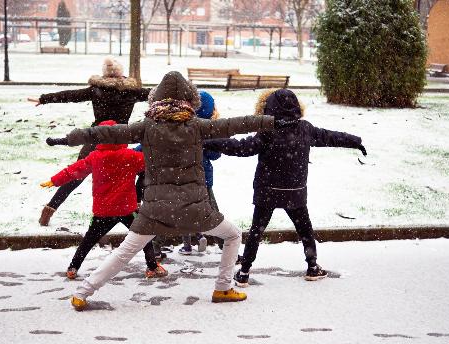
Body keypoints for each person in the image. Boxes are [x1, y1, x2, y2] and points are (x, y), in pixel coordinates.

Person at [46, 71, 276, 310]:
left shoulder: (146, 128)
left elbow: (105, 133)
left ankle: (82, 293)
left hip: (155, 210)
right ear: (190, 100)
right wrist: (271, 121)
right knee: (233, 235)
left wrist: (68, 139)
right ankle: (222, 288)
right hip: (195, 208)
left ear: (155, 100)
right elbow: (236, 124)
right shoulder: (197, 127)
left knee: (125, 251)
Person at [203, 89, 367, 286]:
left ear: (268, 108)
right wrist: (355, 141)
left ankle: (244, 271)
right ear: (296, 107)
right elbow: (330, 136)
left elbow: (241, 147)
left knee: (257, 231)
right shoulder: (305, 129)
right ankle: (313, 266)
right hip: (294, 192)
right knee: (305, 229)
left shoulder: (267, 132)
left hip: (267, 190)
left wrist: (209, 142)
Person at [41, 120, 167, 286]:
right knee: (143, 237)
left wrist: (54, 180)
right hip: (127, 209)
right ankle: (152, 267)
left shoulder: (95, 157)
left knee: (88, 240)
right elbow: (153, 162)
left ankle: (73, 267)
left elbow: (74, 170)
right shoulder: (131, 156)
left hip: (103, 211)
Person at [30, 57, 151, 227]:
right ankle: (133, 209)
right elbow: (156, 94)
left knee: (76, 174)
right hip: (120, 141)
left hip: (95, 137)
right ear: (121, 73)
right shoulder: (131, 91)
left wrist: (44, 99)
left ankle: (50, 208)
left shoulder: (96, 90)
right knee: (129, 175)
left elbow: (70, 96)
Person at [178, 90, 222, 255]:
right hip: (203, 179)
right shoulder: (209, 129)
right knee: (212, 212)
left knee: (180, 211)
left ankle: (187, 244)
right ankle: (224, 245)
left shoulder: (181, 127)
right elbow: (215, 155)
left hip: (182, 178)